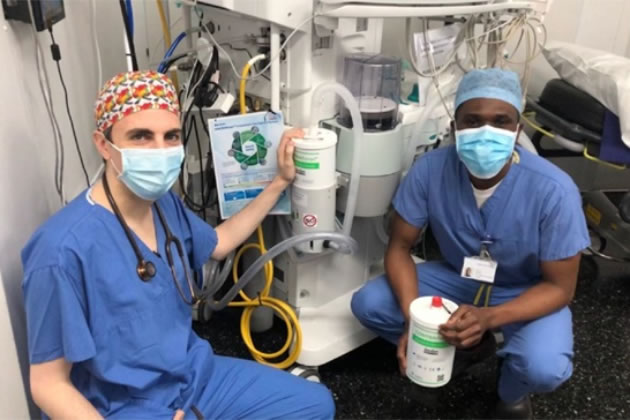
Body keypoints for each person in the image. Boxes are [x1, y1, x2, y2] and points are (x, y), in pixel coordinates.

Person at [22, 71, 334, 420]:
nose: (160, 151)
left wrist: (280, 182)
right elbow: (48, 385)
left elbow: (220, 243)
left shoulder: (164, 206)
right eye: (141, 136)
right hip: (119, 406)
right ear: (103, 144)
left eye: (171, 136)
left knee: (316, 405)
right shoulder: (60, 251)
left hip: (191, 378)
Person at [351, 68, 589, 419]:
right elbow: (399, 248)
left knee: (542, 366)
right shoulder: (430, 171)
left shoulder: (554, 191)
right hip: (457, 278)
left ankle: (511, 390)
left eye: (501, 121)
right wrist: (417, 325)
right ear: (455, 127)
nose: (485, 133)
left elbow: (560, 288)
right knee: (370, 304)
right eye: (473, 121)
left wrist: (489, 317)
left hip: (526, 289)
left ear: (518, 130)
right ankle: (468, 349)